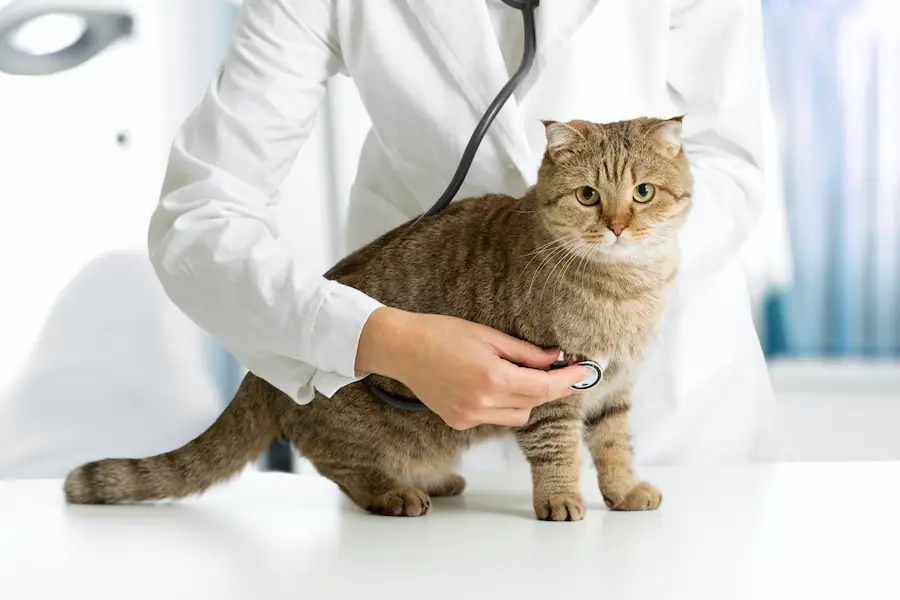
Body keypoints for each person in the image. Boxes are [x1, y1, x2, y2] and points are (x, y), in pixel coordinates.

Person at [148, 0, 780, 465]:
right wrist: (382, 339)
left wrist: (602, 274)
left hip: (676, 417)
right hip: (418, 424)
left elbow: (730, 161)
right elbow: (200, 218)